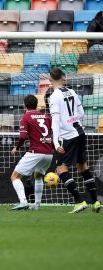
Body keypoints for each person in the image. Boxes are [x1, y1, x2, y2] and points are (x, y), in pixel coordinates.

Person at [48, 68, 101, 214]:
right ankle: (95, 201)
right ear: (62, 78)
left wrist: (57, 143)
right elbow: (81, 113)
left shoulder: (54, 96)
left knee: (60, 169)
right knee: (82, 167)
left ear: (50, 78)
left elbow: (55, 121)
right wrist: (72, 120)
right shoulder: (72, 92)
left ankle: (79, 201)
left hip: (68, 136)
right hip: (80, 132)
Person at [9, 95, 54, 211]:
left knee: (15, 176)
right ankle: (37, 205)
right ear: (36, 104)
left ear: (25, 105)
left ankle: (23, 201)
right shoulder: (47, 117)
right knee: (38, 176)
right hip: (49, 152)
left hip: (35, 152)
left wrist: (17, 147)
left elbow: (23, 136)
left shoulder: (25, 117)